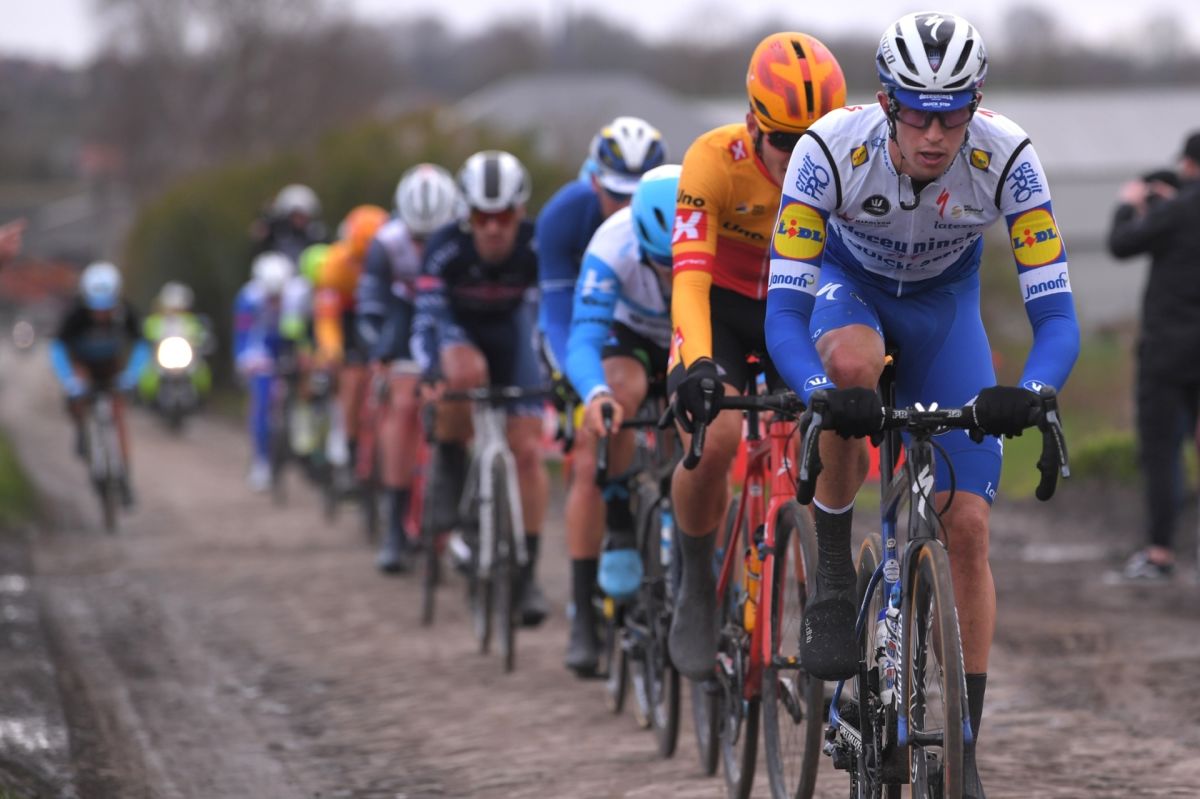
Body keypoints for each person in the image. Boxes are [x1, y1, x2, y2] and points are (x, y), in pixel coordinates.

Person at [763, 13, 1081, 797]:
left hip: (945, 312)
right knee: (849, 369)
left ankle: (963, 749)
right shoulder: (826, 150)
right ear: (885, 103)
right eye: (917, 115)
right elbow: (783, 313)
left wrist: (1032, 392)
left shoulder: (1009, 158)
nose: (935, 135)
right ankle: (834, 569)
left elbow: (1057, 317)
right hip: (851, 291)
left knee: (966, 525)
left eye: (952, 115)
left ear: (976, 104)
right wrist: (820, 397)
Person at [665, 31, 845, 681]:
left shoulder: (848, 164)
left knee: (830, 432)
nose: (802, 157)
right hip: (723, 312)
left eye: (815, 140)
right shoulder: (712, 160)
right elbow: (689, 279)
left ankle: (827, 581)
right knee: (713, 441)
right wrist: (697, 365)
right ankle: (695, 577)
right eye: (785, 142)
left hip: (798, 311)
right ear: (751, 125)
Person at [535, 116, 668, 673]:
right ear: (594, 181)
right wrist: (584, 387)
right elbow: (563, 318)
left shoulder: (683, 206)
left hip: (681, 329)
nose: (629, 206)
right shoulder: (573, 221)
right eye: (616, 194)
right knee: (601, 428)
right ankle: (584, 613)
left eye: (639, 193)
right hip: (614, 332)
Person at [411, 150, 549, 626]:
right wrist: (430, 370)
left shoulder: (536, 244)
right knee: (462, 372)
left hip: (513, 337)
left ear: (521, 212)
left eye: (504, 216)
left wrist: (554, 374)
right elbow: (426, 319)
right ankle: (451, 460)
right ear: (465, 215)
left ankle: (526, 576)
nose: (492, 228)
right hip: (461, 335)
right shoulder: (445, 247)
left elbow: (548, 317)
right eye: (480, 217)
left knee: (527, 453)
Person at [560, 164, 679, 674]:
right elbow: (582, 341)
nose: (670, 275)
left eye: (678, 262)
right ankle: (615, 523)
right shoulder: (612, 244)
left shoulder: (719, 230)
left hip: (689, 331)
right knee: (619, 396)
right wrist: (596, 394)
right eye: (660, 264)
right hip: (627, 335)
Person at [357, 163, 461, 573]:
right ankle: (395, 525)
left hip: (450, 319)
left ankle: (467, 508)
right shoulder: (385, 244)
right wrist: (380, 354)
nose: (425, 247)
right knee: (402, 406)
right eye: (418, 239)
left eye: (433, 238)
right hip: (402, 320)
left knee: (465, 400)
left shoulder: (465, 234)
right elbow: (370, 311)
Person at [1107, 132, 1200, 581]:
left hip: (1169, 350)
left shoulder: (1177, 210)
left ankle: (1160, 552)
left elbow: (1121, 243)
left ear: (1189, 165)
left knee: (1162, 451)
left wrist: (1131, 204)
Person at [49, 261, 150, 506]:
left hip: (111, 366)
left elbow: (142, 343)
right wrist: (68, 380)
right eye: (96, 308)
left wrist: (132, 375)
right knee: (77, 396)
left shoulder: (125, 312)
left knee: (117, 413)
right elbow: (57, 347)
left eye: (107, 307)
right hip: (83, 365)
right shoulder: (76, 315)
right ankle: (82, 431)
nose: (101, 313)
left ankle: (123, 475)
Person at [313, 204, 391, 483]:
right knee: (352, 378)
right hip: (347, 318)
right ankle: (350, 447)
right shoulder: (334, 264)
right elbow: (327, 317)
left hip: (380, 313)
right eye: (358, 260)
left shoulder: (393, 258)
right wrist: (331, 350)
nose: (363, 267)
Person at [233, 251, 294, 491]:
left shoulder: (295, 295)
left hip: (285, 347)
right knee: (261, 403)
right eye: (271, 296)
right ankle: (261, 461)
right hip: (260, 351)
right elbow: (243, 333)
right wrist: (245, 359)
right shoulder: (248, 298)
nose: (275, 300)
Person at [137, 281, 213, 408]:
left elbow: (202, 335)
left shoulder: (192, 321)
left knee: (201, 371)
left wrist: (204, 341)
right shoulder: (156, 320)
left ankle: (202, 398)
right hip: (162, 357)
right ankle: (146, 398)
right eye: (172, 308)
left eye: (179, 308)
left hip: (185, 357)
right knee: (147, 371)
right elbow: (146, 331)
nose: (175, 311)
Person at [252, 184, 328, 264]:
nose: (299, 220)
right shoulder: (275, 231)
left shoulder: (316, 234)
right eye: (296, 215)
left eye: (302, 215)